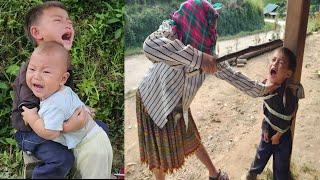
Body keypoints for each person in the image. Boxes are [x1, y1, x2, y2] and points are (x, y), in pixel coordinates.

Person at [136, 0, 278, 180]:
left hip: (178, 105)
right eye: (211, 25)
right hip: (153, 102)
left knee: (192, 138)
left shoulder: (210, 56)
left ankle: (214, 174)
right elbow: (148, 46)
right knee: (159, 154)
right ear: (197, 23)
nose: (214, 30)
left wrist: (263, 89)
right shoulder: (171, 33)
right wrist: (198, 58)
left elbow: (234, 76)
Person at [11, 1, 109, 178]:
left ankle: (82, 170)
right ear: (37, 33)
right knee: (61, 159)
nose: (68, 24)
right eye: (58, 20)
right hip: (33, 131)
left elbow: (65, 100)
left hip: (56, 125)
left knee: (101, 129)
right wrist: (68, 126)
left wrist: (83, 110)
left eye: (69, 21)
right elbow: (30, 115)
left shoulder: (62, 66)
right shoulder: (31, 72)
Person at [22, 41, 113, 178]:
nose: (36, 76)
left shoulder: (54, 104)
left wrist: (33, 118)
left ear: (63, 78)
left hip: (90, 149)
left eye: (46, 71)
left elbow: (50, 133)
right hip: (94, 138)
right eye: (32, 69)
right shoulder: (64, 91)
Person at [245, 47, 298, 180]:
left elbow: (288, 118)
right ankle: (252, 173)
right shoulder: (265, 87)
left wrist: (278, 135)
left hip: (283, 135)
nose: (274, 63)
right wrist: (265, 129)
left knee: (281, 165)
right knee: (261, 154)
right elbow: (266, 111)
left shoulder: (287, 94)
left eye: (281, 63)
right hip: (268, 129)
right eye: (273, 60)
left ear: (288, 74)